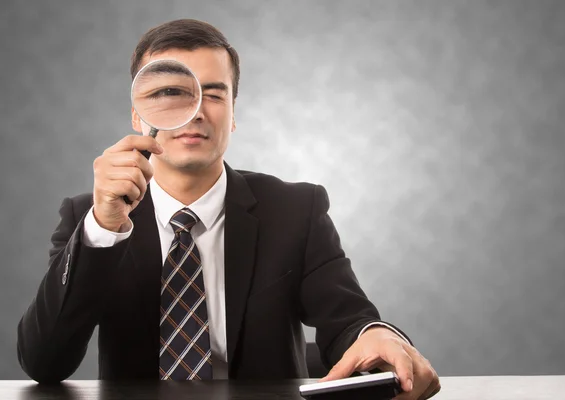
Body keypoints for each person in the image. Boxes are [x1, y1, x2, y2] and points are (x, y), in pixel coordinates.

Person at [17, 19, 440, 399]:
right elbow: (44, 362)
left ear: (234, 114)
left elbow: (348, 320)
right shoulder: (90, 218)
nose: (195, 110)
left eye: (214, 94)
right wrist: (103, 227)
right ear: (136, 113)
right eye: (170, 92)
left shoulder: (295, 210)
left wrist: (375, 335)